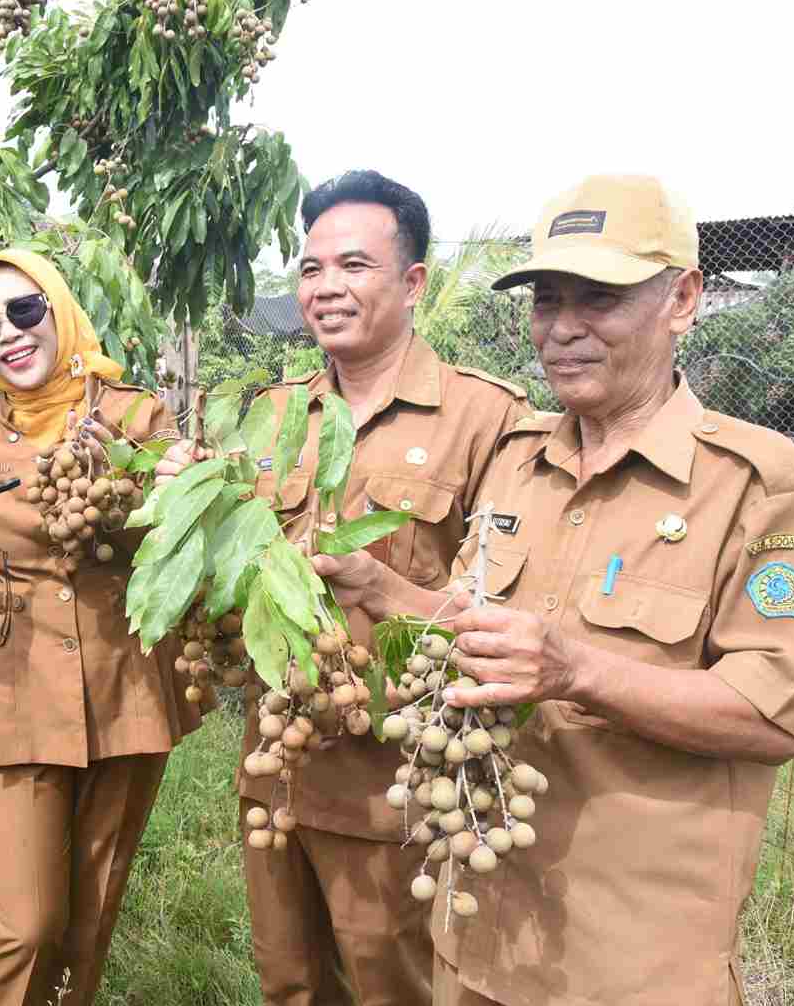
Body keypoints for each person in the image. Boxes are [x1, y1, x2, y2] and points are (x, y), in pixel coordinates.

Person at [324, 175, 794, 1006]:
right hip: (478, 932)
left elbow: (769, 714)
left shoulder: (757, 482)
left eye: (600, 298)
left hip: (631, 966)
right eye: (547, 300)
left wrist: (577, 671)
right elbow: (467, 630)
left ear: (683, 299)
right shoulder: (518, 459)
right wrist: (378, 585)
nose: (562, 329)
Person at [158, 170, 528, 1006]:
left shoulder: (486, 418)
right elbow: (228, 587)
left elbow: (509, 609)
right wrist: (190, 501)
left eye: (353, 266)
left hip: (397, 781)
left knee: (390, 984)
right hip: (280, 765)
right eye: (311, 268)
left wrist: (383, 582)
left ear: (412, 282)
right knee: (287, 982)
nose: (325, 288)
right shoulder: (275, 413)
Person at [0, 249, 201, 1006]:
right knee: (27, 921)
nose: (9, 333)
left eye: (26, 310)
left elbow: (173, 556)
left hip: (124, 682)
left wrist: (132, 499)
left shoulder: (136, 417)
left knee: (91, 911)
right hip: (12, 688)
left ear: (59, 309)